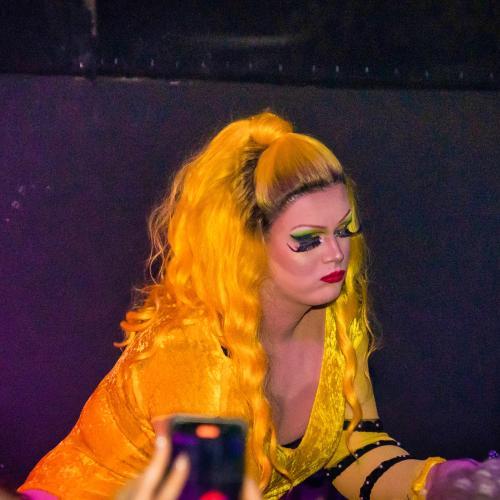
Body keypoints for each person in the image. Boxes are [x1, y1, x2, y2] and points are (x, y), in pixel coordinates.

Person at [18, 112, 496, 499]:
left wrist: (438, 483)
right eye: (307, 240)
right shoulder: (192, 355)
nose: (336, 253)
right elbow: (211, 493)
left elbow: (355, 454)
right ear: (247, 247)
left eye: (344, 229)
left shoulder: (336, 322)